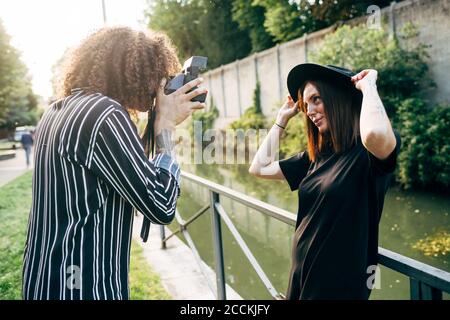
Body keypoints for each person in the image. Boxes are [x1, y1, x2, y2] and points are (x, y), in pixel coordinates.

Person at [22, 27, 207, 300]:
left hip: (44, 279)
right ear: (135, 73)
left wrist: (156, 124)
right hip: (84, 286)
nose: (160, 88)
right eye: (157, 77)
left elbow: (123, 171)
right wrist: (165, 131)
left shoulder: (58, 110)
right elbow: (161, 205)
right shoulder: (105, 115)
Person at [249, 63, 401, 300]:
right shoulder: (316, 156)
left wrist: (368, 86)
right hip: (301, 277)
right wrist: (281, 119)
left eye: (316, 99)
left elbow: (375, 134)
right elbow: (259, 167)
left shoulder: (367, 154)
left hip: (337, 287)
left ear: (339, 96)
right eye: (305, 104)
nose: (309, 110)